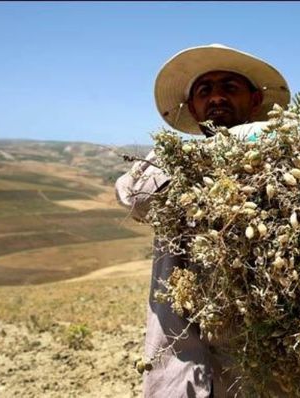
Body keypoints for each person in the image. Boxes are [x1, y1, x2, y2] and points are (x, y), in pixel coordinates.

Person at [115, 44, 291, 397]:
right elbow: (134, 197)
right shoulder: (171, 161)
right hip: (181, 371)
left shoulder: (286, 160)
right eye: (204, 90)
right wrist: (212, 153)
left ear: (255, 101)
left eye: (230, 87)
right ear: (193, 108)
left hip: (259, 370)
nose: (216, 97)